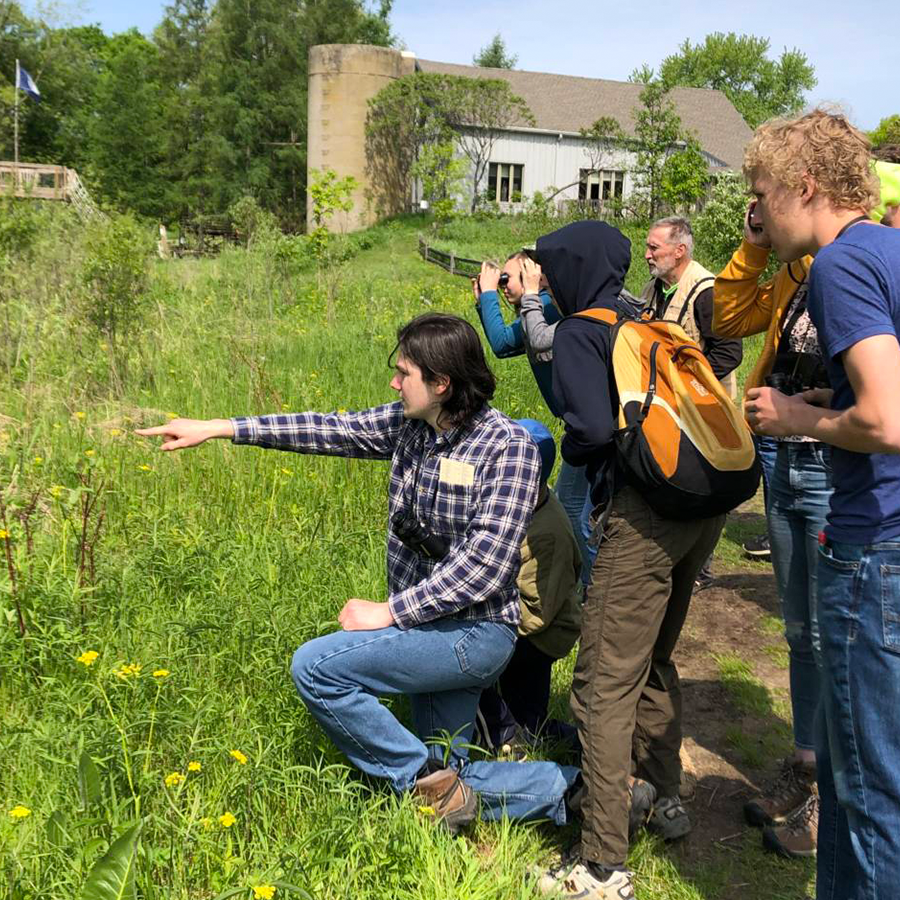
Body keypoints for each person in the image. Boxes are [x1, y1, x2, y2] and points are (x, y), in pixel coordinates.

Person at [137, 312, 579, 833]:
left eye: (404, 373)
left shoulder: (507, 449)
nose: (394, 382)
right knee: (451, 773)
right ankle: (580, 791)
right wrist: (220, 428)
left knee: (316, 668)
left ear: (441, 384)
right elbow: (331, 429)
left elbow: (483, 567)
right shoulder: (410, 424)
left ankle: (416, 776)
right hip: (429, 626)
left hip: (475, 633)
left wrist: (389, 611)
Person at [533, 220, 726, 900]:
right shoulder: (644, 317)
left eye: (550, 271)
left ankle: (602, 861)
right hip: (701, 508)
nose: (547, 282)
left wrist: (586, 454)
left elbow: (586, 430)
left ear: (567, 271)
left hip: (645, 516)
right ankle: (663, 797)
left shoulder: (582, 330)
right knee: (654, 660)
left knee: (602, 682)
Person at [740, 109, 900, 900]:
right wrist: (829, 394)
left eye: (763, 194)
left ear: (805, 188)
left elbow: (885, 420)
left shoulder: (837, 268)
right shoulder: (891, 251)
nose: (758, 213)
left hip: (873, 552)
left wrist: (801, 419)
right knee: (852, 775)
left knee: (869, 793)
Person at [713, 200, 822, 858]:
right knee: (802, 629)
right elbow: (727, 317)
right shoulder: (796, 266)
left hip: (835, 455)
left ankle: (834, 797)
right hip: (781, 446)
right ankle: (806, 768)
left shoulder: (867, 265)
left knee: (840, 633)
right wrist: (755, 244)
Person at [474, 254, 595, 585]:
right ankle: (582, 587)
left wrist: (487, 296)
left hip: (589, 426)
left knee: (579, 515)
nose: (504, 287)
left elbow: (502, 341)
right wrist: (483, 301)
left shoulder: (548, 308)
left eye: (507, 279)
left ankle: (591, 589)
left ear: (536, 277)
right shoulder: (540, 307)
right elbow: (504, 345)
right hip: (579, 426)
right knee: (575, 510)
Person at [642, 216, 743, 589]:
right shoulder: (657, 286)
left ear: (680, 250)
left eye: (655, 248)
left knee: (703, 485)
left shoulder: (706, 291)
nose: (647, 255)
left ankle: (699, 567)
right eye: (648, 246)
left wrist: (689, 384)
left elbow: (730, 353)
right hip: (669, 407)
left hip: (702, 409)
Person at [475, 418, 582, 752]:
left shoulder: (547, 533)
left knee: (528, 724)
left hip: (538, 639)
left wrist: (479, 618)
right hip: (516, 621)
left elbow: (536, 614)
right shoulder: (517, 506)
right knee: (515, 705)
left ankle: (581, 748)